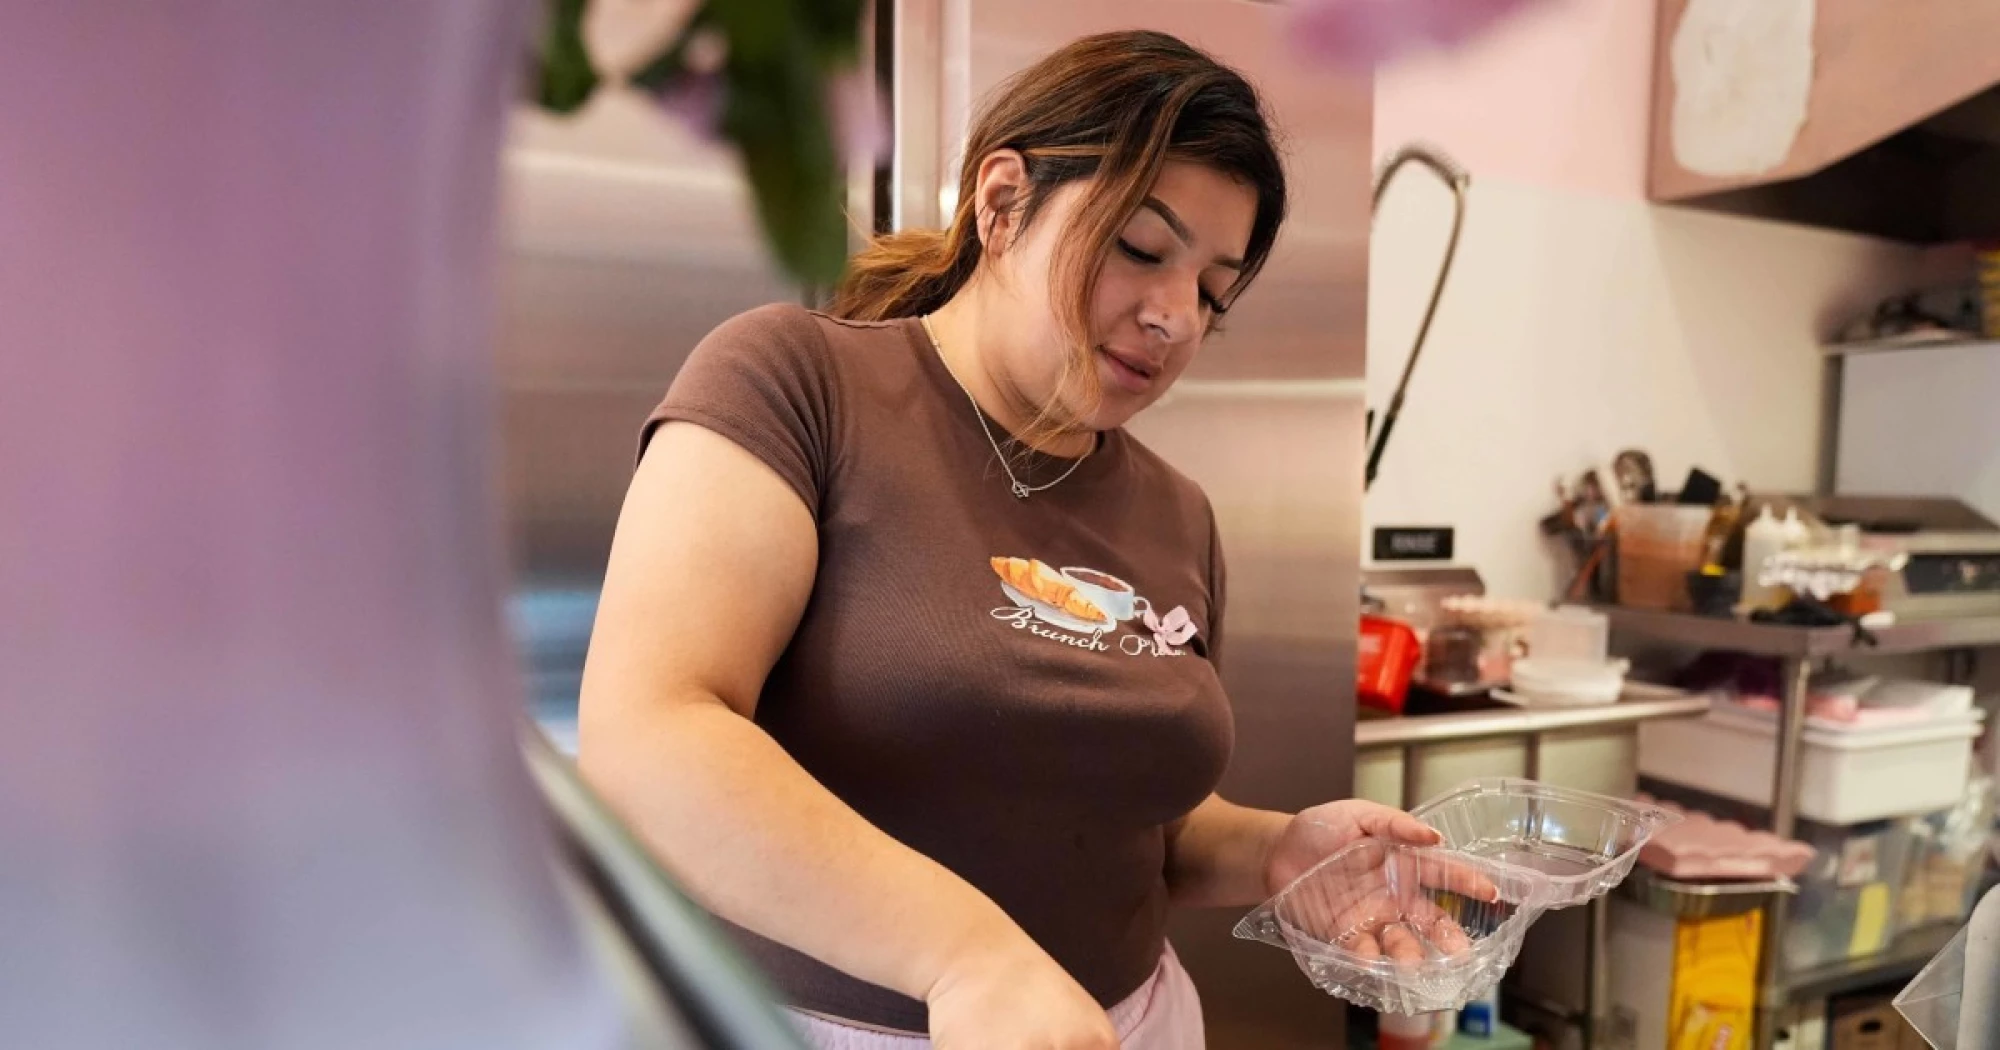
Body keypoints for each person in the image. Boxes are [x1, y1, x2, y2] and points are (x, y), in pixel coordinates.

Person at [578, 29, 1447, 1050]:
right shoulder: (796, 385)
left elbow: (1138, 823)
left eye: (1213, 291)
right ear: (1000, 203)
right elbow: (650, 734)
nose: (1175, 317)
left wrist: (1275, 852)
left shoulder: (1178, 513)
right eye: (1140, 247)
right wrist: (966, 956)